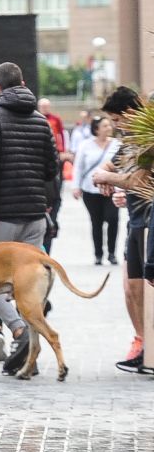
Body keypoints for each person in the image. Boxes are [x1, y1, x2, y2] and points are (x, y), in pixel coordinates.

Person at [0, 61, 60, 377]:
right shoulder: (40, 120)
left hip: (3, 217)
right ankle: (29, 355)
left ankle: (19, 329)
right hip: (36, 216)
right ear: (22, 82)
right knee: (28, 287)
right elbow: (52, 169)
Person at [91, 87, 149, 372]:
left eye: (115, 120)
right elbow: (111, 164)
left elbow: (137, 180)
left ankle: (148, 345)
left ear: (128, 114)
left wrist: (107, 177)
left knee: (145, 284)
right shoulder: (129, 139)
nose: (113, 126)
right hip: (135, 219)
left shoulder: (146, 138)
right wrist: (108, 177)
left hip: (148, 220)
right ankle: (141, 341)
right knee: (131, 287)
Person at [73, 116, 121, 266]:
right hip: (90, 189)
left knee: (113, 219)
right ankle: (98, 254)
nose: (109, 128)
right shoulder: (85, 145)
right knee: (96, 222)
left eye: (109, 125)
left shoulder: (117, 144)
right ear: (96, 129)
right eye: (105, 126)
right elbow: (78, 167)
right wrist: (76, 186)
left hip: (112, 189)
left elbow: (121, 166)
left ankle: (112, 253)